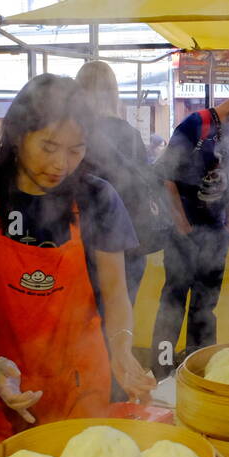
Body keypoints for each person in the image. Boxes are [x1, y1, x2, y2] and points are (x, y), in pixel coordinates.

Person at [0, 75, 154, 457]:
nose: (60, 164)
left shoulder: (97, 198)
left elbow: (117, 294)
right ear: (17, 135)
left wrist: (121, 347)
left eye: (75, 149)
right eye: (48, 146)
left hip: (79, 388)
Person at [151, 82, 229, 369]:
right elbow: (165, 177)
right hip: (184, 233)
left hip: (215, 232)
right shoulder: (196, 123)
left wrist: (227, 224)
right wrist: (182, 225)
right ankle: (160, 367)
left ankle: (197, 363)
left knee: (206, 305)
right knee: (173, 301)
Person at [74, 61, 151, 304]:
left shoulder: (75, 133)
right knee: (121, 318)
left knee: (86, 325)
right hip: (128, 240)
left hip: (83, 242)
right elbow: (142, 187)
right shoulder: (131, 135)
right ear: (113, 91)